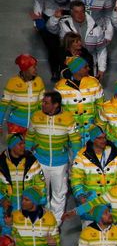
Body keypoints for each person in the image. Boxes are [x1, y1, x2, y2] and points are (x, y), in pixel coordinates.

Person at [26, 91, 81, 221]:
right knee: (40, 193)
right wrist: (28, 155)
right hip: (40, 163)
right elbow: (29, 136)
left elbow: (75, 141)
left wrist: (76, 162)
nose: (42, 104)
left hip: (60, 164)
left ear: (56, 105)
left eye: (46, 102)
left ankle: (55, 224)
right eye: (43, 102)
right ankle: (43, 221)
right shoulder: (36, 117)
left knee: (59, 194)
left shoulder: (68, 118)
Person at [48, 0, 111, 78]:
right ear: (71, 12)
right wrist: (55, 18)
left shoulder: (96, 29)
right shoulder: (64, 24)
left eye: (82, 11)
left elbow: (101, 49)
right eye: (76, 12)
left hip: (88, 67)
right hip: (68, 68)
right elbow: (51, 29)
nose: (80, 14)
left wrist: (102, 69)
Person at [54, 56, 104, 140]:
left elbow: (101, 107)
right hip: (71, 134)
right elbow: (57, 111)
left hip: (91, 133)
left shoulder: (94, 83)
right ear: (77, 70)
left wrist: (99, 128)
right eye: (85, 67)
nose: (89, 69)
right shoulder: (60, 87)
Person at [0, 133, 47, 212]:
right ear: (12, 146)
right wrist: (2, 199)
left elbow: (40, 184)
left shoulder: (31, 161)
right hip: (7, 210)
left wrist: (40, 204)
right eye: (20, 144)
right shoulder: (1, 163)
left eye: (24, 143)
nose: (23, 146)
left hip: (28, 211)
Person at [0, 54, 45, 135]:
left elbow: (42, 103)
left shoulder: (39, 81)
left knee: (30, 147)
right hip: (15, 125)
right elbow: (3, 105)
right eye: (33, 67)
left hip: (33, 125)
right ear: (25, 69)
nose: (36, 69)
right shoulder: (12, 82)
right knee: (16, 147)